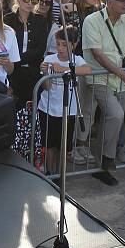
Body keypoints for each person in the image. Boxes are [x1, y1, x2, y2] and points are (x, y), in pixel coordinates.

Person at [76, 0, 125, 185]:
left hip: (121, 79)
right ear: (110, 2)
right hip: (98, 77)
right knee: (115, 114)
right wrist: (124, 74)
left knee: (113, 119)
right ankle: (104, 159)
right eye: (122, 0)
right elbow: (97, 54)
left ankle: (102, 164)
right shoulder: (92, 20)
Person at [38, 26, 91, 175]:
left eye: (64, 45)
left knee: (63, 145)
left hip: (68, 111)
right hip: (48, 108)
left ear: (74, 45)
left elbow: (87, 70)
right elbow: (47, 87)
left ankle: (61, 175)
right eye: (58, 44)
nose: (60, 48)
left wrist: (62, 69)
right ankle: (50, 172)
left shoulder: (77, 60)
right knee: (49, 144)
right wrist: (44, 72)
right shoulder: (49, 59)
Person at [4, 0, 49, 109]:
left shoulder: (40, 21)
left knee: (31, 111)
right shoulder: (8, 19)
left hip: (33, 74)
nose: (30, 3)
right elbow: (6, 47)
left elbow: (40, 50)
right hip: (12, 74)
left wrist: (17, 58)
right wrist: (16, 61)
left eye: (34, 0)